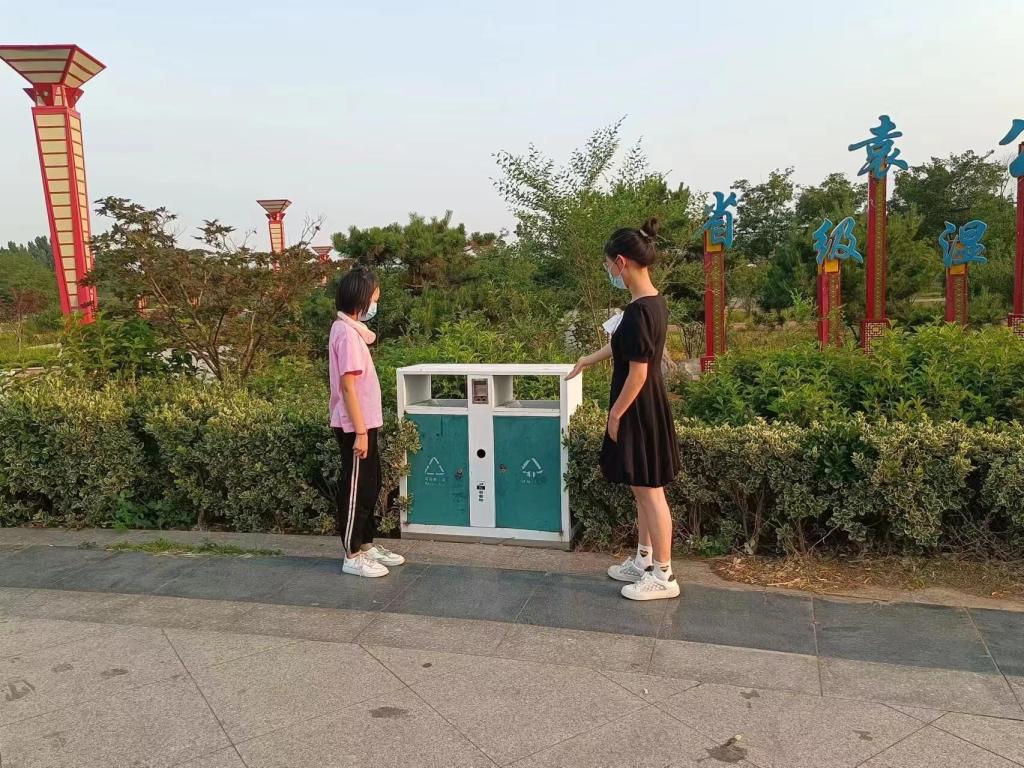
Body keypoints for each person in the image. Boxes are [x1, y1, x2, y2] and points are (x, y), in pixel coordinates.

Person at [566, 218, 681, 600]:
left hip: (639, 407)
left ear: (621, 262)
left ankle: (663, 575)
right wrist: (587, 359)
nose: (608, 272)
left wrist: (615, 414)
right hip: (643, 405)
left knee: (651, 491)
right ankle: (644, 559)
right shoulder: (649, 303)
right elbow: (621, 345)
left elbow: (638, 372)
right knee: (641, 486)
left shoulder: (639, 311)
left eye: (607, 265)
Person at [330, 267, 405, 577]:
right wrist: (360, 432)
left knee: (370, 484)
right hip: (355, 426)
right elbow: (348, 387)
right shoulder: (346, 334)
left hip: (365, 423)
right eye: (374, 298)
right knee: (356, 489)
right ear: (360, 297)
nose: (376, 304)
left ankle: (366, 545)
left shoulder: (353, 331)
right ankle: (352, 554)